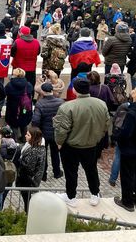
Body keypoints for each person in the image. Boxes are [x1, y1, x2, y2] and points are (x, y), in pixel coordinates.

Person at [52, 78, 110, 207]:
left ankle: (71, 196)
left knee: (71, 172)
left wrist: (59, 142)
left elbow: (62, 129)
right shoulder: (101, 104)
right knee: (91, 169)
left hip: (71, 146)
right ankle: (95, 194)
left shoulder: (67, 106)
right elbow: (106, 125)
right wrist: (97, 137)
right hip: (91, 144)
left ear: (75, 90)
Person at [32, 82, 64, 179]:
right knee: (55, 154)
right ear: (51, 90)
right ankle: (57, 172)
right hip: (56, 133)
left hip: (44, 134)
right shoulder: (60, 102)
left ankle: (43, 174)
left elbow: (36, 120)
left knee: (43, 154)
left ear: (43, 91)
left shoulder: (40, 103)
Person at [14, 126, 46, 212]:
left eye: (28, 135)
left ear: (33, 137)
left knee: (27, 199)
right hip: (28, 179)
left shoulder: (34, 151)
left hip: (28, 181)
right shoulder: (33, 146)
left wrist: (19, 161)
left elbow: (29, 168)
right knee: (27, 198)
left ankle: (27, 214)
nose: (25, 136)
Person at [4, 68, 32, 141]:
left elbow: (5, 93)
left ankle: (15, 139)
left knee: (14, 124)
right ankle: (24, 138)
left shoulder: (10, 85)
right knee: (24, 122)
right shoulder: (28, 84)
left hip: (13, 109)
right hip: (25, 108)